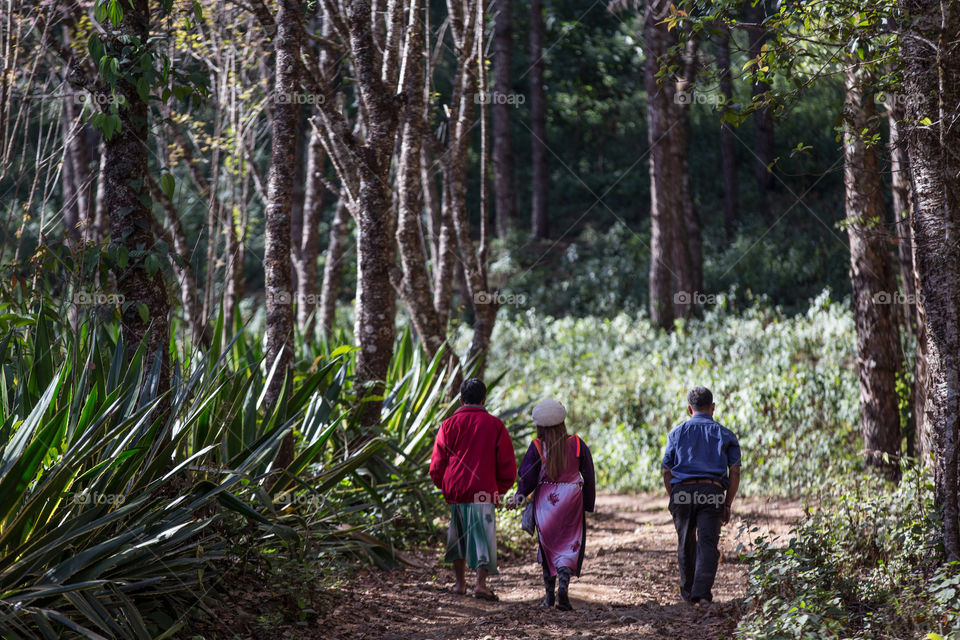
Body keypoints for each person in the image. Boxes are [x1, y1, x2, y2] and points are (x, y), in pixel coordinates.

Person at [429, 378, 517, 601]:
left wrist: (447, 486)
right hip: (484, 491)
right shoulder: (495, 425)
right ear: (484, 399)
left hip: (457, 491)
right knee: (483, 537)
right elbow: (506, 463)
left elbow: (437, 465)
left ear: (460, 399)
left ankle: (459, 584)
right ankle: (480, 585)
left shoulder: (448, 425)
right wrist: (500, 488)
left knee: (457, 536)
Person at [661, 386, 741, 605]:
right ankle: (702, 595)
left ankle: (687, 594)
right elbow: (734, 471)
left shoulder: (676, 433)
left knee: (685, 542)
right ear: (712, 408)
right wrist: (727, 503)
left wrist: (674, 497)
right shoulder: (726, 434)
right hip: (712, 492)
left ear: (689, 409)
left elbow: (666, 470)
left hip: (682, 492)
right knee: (707, 543)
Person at [513, 399, 595, 611]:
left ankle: (549, 596)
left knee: (547, 546)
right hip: (572, 499)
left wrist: (520, 495)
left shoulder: (537, 447)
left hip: (546, 501)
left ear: (539, 426)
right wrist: (587, 503)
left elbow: (527, 477)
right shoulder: (577, 443)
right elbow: (589, 475)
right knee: (569, 545)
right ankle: (564, 589)